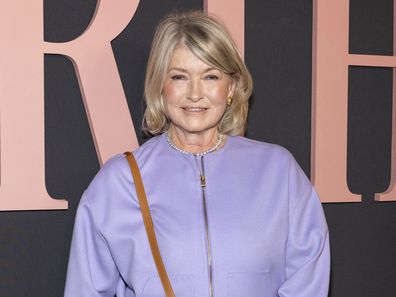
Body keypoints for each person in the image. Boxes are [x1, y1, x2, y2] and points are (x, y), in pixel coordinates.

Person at [64, 11, 330, 297]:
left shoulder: (279, 172)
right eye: (179, 77)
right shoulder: (120, 182)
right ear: (160, 86)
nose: (195, 93)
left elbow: (307, 279)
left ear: (232, 87)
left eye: (210, 76)